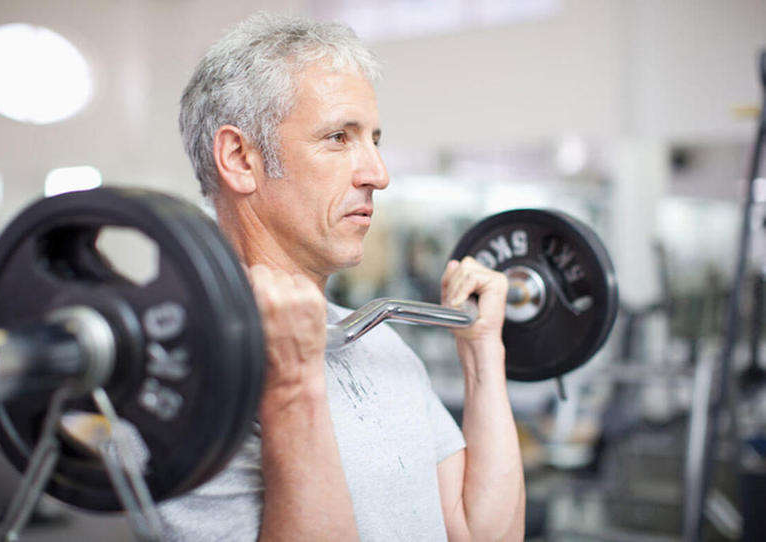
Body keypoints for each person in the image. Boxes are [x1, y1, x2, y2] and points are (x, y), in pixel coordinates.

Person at [161, 12, 525, 541]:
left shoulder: (378, 342)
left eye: (374, 139)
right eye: (338, 138)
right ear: (240, 158)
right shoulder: (179, 380)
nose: (378, 173)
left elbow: (481, 534)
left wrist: (482, 355)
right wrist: (290, 385)